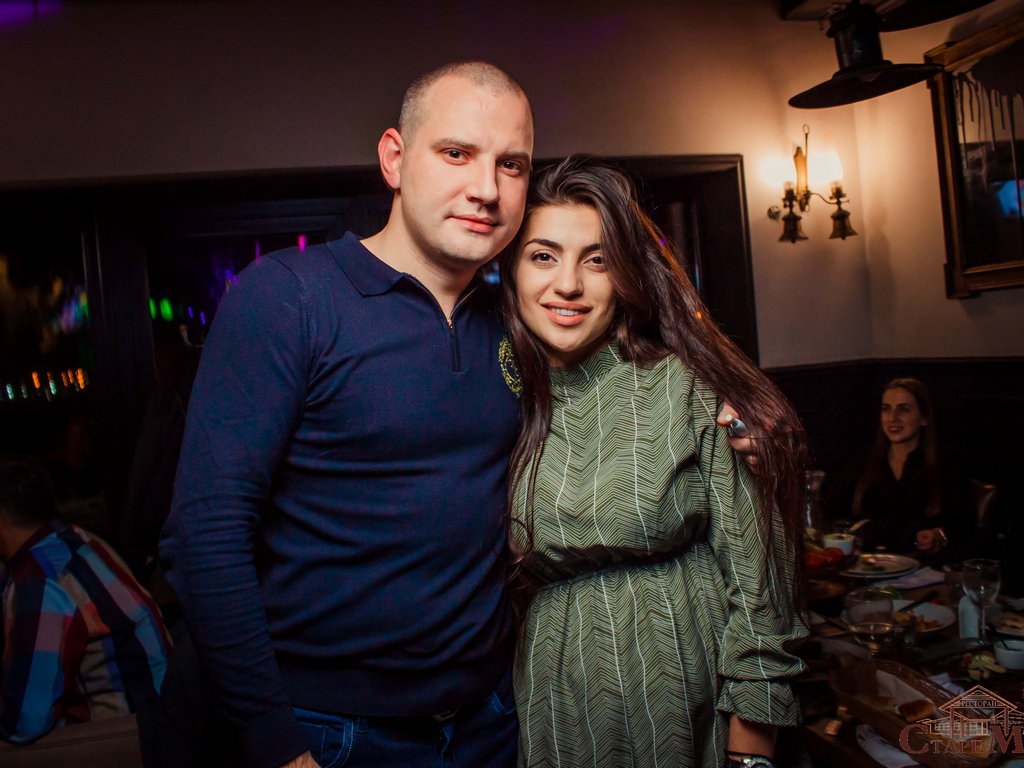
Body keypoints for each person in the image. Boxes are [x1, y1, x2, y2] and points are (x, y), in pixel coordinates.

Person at [160, 61, 532, 768]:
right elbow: (205, 533)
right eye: (457, 153)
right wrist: (275, 741)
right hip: (334, 730)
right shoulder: (289, 298)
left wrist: (726, 421)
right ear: (395, 158)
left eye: (510, 164)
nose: (486, 188)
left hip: (488, 719)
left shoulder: (516, 318)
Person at [498, 156, 809, 768]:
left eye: (597, 260)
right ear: (510, 268)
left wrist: (752, 753)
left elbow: (761, 582)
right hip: (552, 695)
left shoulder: (685, 385)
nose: (568, 284)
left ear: (626, 275)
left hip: (688, 690)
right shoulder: (493, 393)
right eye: (543, 256)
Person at [0, 458, 170, 744]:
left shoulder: (40, 580)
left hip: (129, 734)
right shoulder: (74, 540)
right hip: (159, 710)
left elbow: (24, 722)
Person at [847, 377, 970, 557]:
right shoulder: (864, 463)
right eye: (886, 409)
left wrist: (938, 535)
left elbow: (963, 525)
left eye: (903, 409)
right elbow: (835, 513)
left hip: (923, 563)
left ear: (924, 418)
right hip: (868, 562)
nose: (893, 418)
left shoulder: (944, 466)